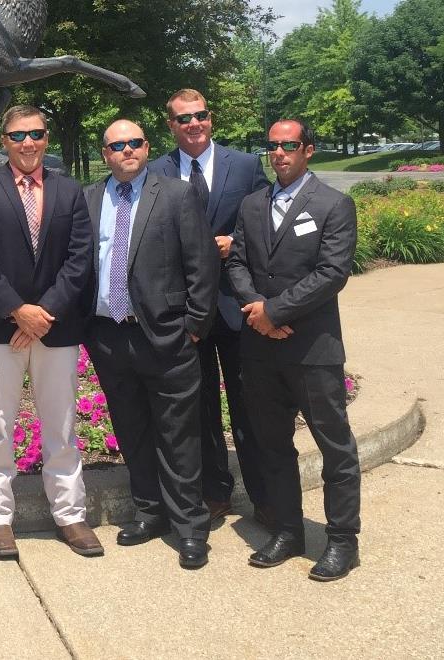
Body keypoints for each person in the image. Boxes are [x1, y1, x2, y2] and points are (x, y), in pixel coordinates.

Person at [0, 105, 101, 559]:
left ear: (46, 139)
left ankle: (69, 514)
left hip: (56, 328)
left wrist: (44, 312)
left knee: (60, 423)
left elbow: (80, 258)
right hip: (0, 325)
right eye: (18, 135)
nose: (28, 143)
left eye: (36, 134)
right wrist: (19, 312)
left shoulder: (69, 190)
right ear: (4, 139)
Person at [226, 119, 361, 581]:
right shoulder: (251, 205)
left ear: (309, 150)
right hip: (261, 350)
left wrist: (275, 313)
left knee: (334, 446)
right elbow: (238, 263)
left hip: (312, 349)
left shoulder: (333, 204)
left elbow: (332, 273)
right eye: (273, 146)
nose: (279, 153)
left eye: (289, 145)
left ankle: (343, 540)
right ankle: (288, 530)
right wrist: (256, 311)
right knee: (272, 445)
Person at [82, 119, 218, 569]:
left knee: (178, 434)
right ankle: (149, 512)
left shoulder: (177, 195)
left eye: (134, 143)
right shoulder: (89, 199)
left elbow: (202, 265)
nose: (127, 151)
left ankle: (190, 526)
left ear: (147, 147)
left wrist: (195, 325)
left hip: (165, 336)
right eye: (117, 145)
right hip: (108, 336)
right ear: (105, 153)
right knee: (132, 430)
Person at [148, 89, 273, 527]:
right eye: (183, 119)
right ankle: (215, 492)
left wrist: (235, 243)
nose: (193, 124)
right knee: (198, 410)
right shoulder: (156, 171)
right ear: (171, 125)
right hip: (186, 312)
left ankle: (264, 498)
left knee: (249, 406)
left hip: (237, 306)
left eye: (200, 116)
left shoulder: (244, 166)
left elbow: (267, 222)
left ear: (210, 118)